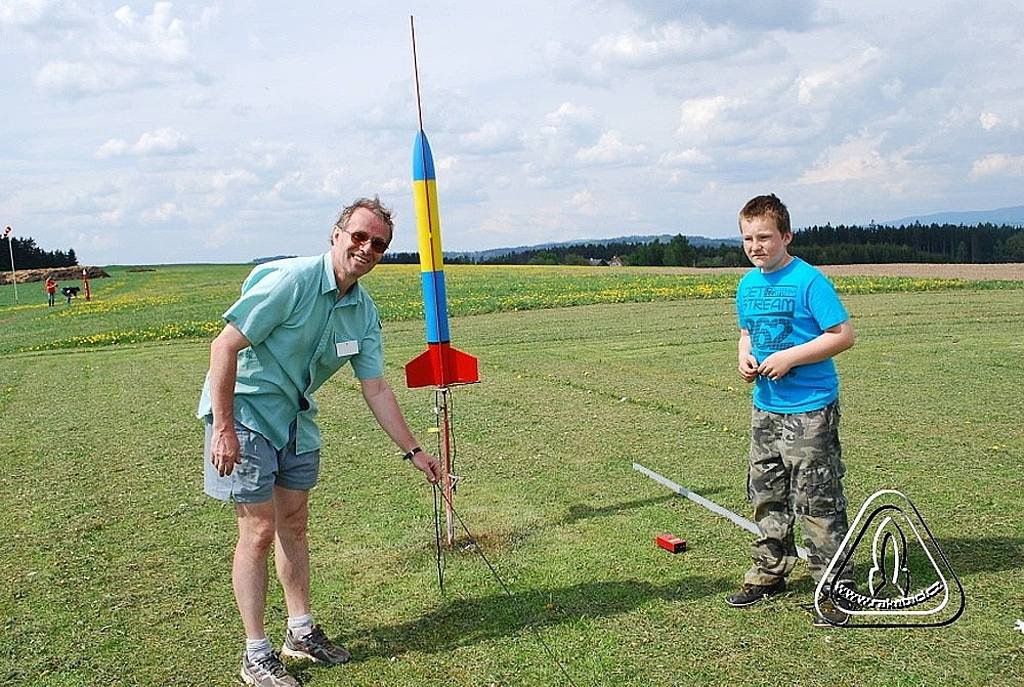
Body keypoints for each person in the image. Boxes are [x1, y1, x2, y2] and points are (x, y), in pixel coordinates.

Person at [197, 197, 441, 687]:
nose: (367, 248)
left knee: (294, 523)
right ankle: (255, 653)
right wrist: (223, 426)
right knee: (258, 531)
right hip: (247, 411)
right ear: (336, 233)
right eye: (360, 236)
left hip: (296, 416)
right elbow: (223, 345)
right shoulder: (294, 282)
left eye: (379, 244)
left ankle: (301, 632)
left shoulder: (363, 312)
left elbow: (375, 387)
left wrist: (415, 450)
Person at [726, 194, 856, 627]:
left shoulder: (808, 281)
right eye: (748, 238)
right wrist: (745, 355)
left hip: (809, 409)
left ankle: (835, 588)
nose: (756, 246)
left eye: (765, 237)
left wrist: (792, 358)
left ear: (786, 236)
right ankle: (768, 573)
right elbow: (748, 332)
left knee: (816, 498)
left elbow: (842, 335)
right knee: (765, 493)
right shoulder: (747, 285)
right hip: (765, 407)